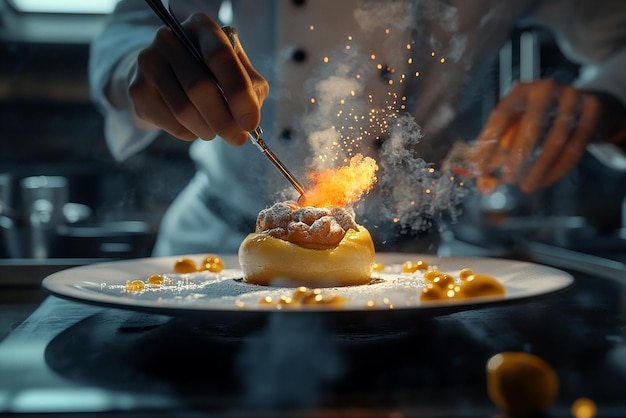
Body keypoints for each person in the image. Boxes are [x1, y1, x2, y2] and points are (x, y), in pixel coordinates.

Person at [89, 0, 626, 256]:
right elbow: (136, 23)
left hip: (415, 262)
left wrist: (605, 103)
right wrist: (142, 71)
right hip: (217, 247)